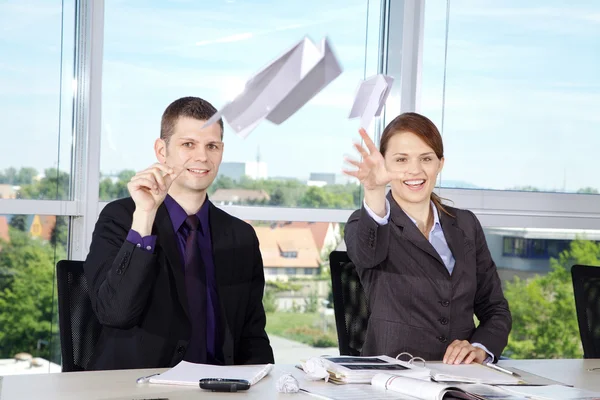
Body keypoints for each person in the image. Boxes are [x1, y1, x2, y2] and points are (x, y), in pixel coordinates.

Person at [84, 96, 274, 370]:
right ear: (161, 151)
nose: (202, 157)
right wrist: (145, 217)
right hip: (139, 388)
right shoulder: (122, 219)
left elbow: (253, 336)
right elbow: (115, 313)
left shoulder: (240, 236)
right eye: (188, 144)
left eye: (212, 146)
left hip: (219, 388)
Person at [343, 112, 511, 365]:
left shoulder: (465, 224)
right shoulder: (367, 223)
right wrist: (374, 190)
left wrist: (479, 348)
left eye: (426, 158)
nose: (415, 170)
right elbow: (368, 253)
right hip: (394, 377)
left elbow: (495, 309)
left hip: (460, 377)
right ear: (384, 165)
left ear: (440, 163)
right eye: (401, 160)